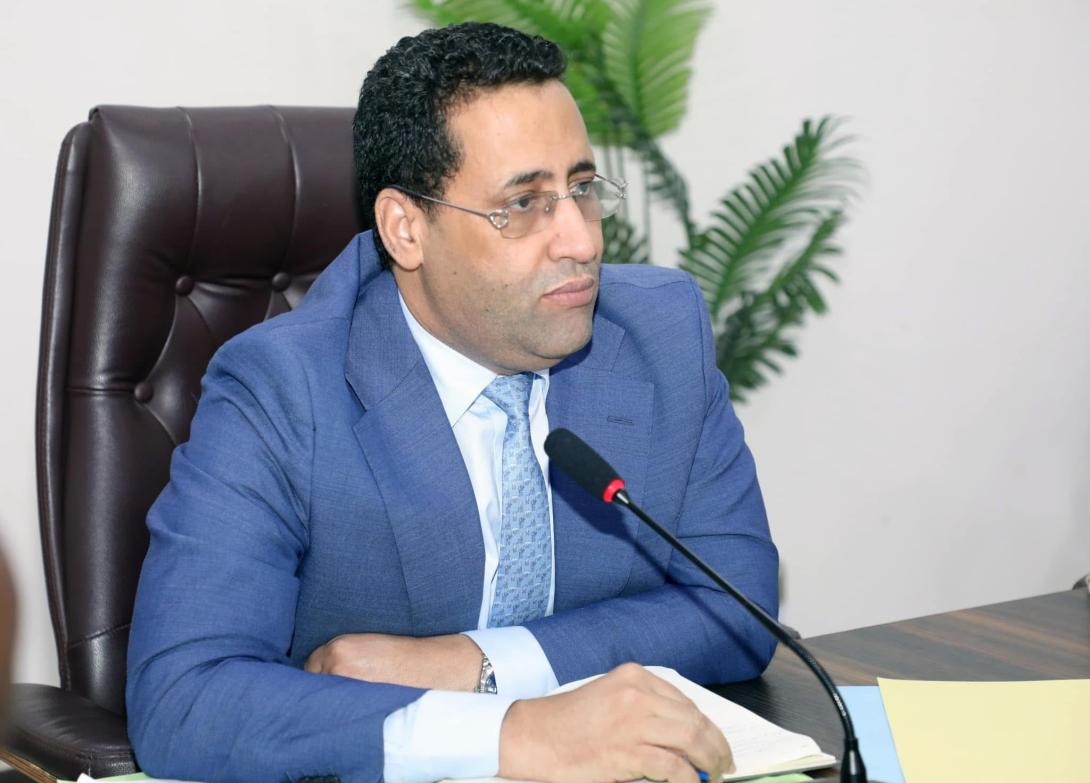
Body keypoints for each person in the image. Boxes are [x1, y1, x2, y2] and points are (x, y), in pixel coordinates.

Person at [126, 22, 778, 783]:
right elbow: (185, 701)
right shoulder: (284, 389)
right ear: (405, 229)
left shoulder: (660, 333)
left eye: (582, 189)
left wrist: (480, 665)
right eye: (523, 204)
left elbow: (736, 606)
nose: (580, 241)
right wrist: (514, 736)